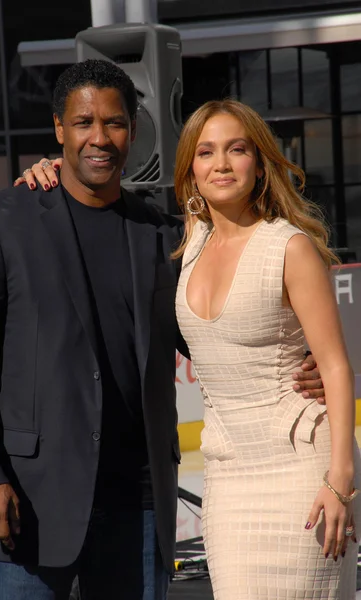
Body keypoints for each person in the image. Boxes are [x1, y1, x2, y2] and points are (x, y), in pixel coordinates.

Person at [0, 60, 323, 600]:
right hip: (29, 502)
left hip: (138, 507)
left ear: (134, 132)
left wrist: (306, 367)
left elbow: (221, 337)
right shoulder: (3, 220)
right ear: (58, 129)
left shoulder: (164, 238)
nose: (100, 137)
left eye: (114, 123)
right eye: (82, 123)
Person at [172, 99, 360, 599]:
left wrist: (340, 479)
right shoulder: (188, 245)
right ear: (190, 168)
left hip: (302, 472)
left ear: (259, 163)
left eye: (237, 149)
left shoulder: (289, 247)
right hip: (228, 480)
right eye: (207, 152)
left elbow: (337, 369)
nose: (222, 164)